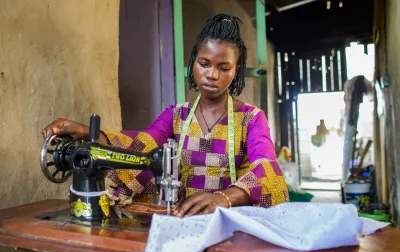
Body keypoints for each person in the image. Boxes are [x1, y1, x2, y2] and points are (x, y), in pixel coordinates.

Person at [42, 13, 289, 218]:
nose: (212, 74)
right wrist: (88, 132)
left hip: (228, 223)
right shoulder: (176, 115)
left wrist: (222, 198)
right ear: (193, 63)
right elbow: (142, 146)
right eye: (204, 64)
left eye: (223, 68)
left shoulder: (251, 118)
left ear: (235, 72)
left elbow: (267, 170)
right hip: (182, 218)